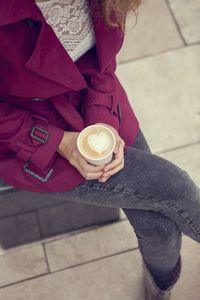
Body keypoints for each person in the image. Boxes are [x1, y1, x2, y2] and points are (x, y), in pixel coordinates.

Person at [0, 0, 200, 299]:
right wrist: (56, 141)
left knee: (158, 227)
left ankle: (158, 292)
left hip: (94, 99)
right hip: (26, 130)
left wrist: (102, 118)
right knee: (173, 186)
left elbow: (102, 60)